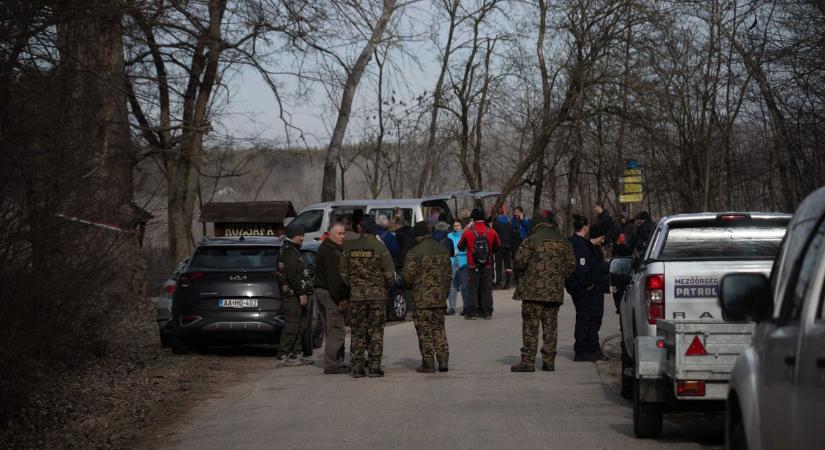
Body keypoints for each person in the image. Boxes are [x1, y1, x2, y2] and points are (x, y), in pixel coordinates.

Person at [510, 209, 576, 372]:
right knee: (550, 327)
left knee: (530, 327)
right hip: (554, 292)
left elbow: (519, 261)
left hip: (532, 293)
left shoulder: (531, 239)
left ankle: (528, 361)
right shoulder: (563, 240)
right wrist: (558, 278)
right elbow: (571, 265)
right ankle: (549, 361)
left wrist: (521, 275)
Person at [340, 217, 396, 378]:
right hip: (377, 297)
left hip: (357, 296)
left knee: (357, 331)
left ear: (361, 229)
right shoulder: (380, 247)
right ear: (375, 230)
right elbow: (390, 275)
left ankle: (357, 367)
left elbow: (343, 271)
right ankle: (374, 367)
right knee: (376, 331)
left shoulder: (349, 247)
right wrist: (383, 287)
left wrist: (353, 285)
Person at [401, 221, 453, 373]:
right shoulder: (443, 250)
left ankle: (428, 363)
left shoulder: (414, 252)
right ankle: (443, 361)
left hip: (421, 300)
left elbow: (408, 277)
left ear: (418, 236)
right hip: (439, 299)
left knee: (424, 331)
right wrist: (444, 294)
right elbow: (448, 276)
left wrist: (410, 287)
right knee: (439, 329)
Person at [565, 215, 609, 362]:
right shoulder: (579, 244)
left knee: (590, 319)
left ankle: (591, 349)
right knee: (584, 319)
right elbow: (583, 271)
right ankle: (582, 351)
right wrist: (588, 282)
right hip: (582, 289)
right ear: (584, 227)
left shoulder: (579, 243)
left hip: (582, 287)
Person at [313, 223, 350, 374]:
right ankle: (331, 364)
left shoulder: (326, 247)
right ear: (331, 234)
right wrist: (341, 298)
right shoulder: (331, 252)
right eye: (340, 234)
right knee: (336, 329)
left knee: (332, 328)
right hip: (329, 294)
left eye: (344, 233)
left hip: (322, 291)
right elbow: (335, 279)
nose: (343, 236)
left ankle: (336, 361)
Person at [275, 223, 314, 367]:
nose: (302, 238)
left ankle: (296, 354)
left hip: (296, 295)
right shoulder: (289, 251)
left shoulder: (292, 249)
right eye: (300, 235)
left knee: (300, 325)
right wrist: (302, 293)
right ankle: (283, 355)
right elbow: (293, 276)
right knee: (292, 325)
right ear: (293, 235)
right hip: (293, 295)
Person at [458, 208, 501, 320]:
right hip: (487, 265)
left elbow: (460, 247)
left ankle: (473, 312)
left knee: (472, 288)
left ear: (473, 219)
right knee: (486, 288)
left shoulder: (468, 232)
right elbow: (498, 247)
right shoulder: (491, 231)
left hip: (472, 265)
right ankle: (487, 312)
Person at [447, 220, 470, 316]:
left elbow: (468, 250)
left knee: (464, 286)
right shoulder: (449, 236)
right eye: (455, 225)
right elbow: (447, 248)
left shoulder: (464, 235)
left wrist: (458, 252)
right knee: (452, 287)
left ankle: (466, 307)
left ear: (461, 226)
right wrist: (452, 253)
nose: (457, 227)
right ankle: (452, 308)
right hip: (452, 263)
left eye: (458, 225)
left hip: (463, 263)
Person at [492, 206, 514, 290]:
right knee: (508, 264)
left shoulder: (496, 223)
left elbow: (494, 235)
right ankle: (508, 282)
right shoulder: (509, 223)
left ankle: (499, 282)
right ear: (504, 213)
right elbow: (512, 234)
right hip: (508, 246)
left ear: (497, 213)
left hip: (499, 246)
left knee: (498, 264)